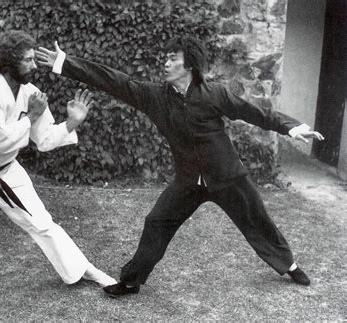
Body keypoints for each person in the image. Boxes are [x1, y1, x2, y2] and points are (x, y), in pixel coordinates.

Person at [35, 36, 325, 297]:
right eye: (166, 57)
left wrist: (293, 128)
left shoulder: (215, 93)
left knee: (258, 221)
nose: (166, 62)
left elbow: (255, 113)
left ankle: (290, 265)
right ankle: (131, 281)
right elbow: (114, 80)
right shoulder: (155, 96)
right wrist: (64, 62)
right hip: (189, 182)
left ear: (189, 64)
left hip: (228, 177)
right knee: (156, 222)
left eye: (172, 57)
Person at [0, 30, 117, 311]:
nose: (34, 65)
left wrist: (72, 122)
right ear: (8, 63)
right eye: (28, 60)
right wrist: (31, 116)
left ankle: (84, 269)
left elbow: (44, 141)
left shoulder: (30, 94)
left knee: (42, 223)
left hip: (5, 171)